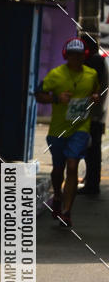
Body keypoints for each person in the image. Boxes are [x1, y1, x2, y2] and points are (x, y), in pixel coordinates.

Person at [36, 37, 100, 227]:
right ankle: (57, 195)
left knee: (73, 165)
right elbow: (39, 95)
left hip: (80, 128)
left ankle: (66, 211)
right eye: (72, 55)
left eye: (79, 55)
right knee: (58, 169)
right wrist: (56, 98)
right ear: (66, 56)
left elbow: (96, 91)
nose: (75, 59)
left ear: (84, 56)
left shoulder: (91, 75)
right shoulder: (56, 75)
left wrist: (95, 97)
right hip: (58, 130)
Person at [80, 34, 108, 194]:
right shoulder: (99, 60)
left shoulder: (95, 61)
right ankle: (91, 181)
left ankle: (92, 184)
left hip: (92, 113)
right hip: (96, 111)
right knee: (92, 149)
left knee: (92, 150)